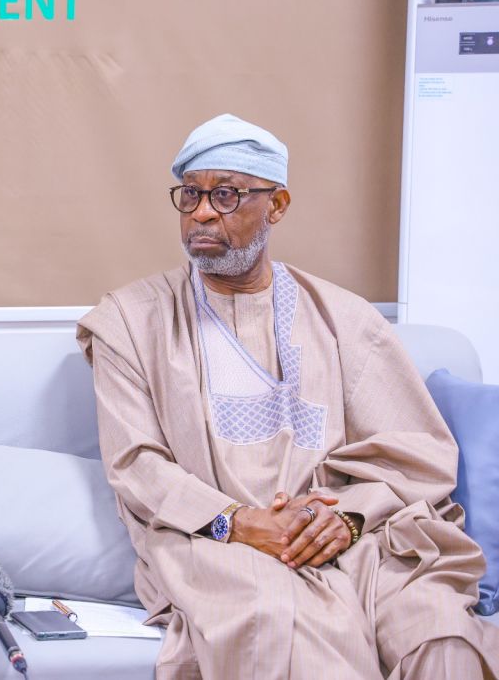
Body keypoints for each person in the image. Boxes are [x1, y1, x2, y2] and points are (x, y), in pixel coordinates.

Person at [77, 114, 498, 679]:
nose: (202, 212)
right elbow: (137, 466)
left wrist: (347, 517)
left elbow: (415, 451)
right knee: (289, 629)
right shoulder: (128, 321)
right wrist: (242, 521)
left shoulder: (347, 320)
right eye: (191, 195)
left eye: (226, 195)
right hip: (218, 543)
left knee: (439, 632)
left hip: (358, 537)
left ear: (276, 205)